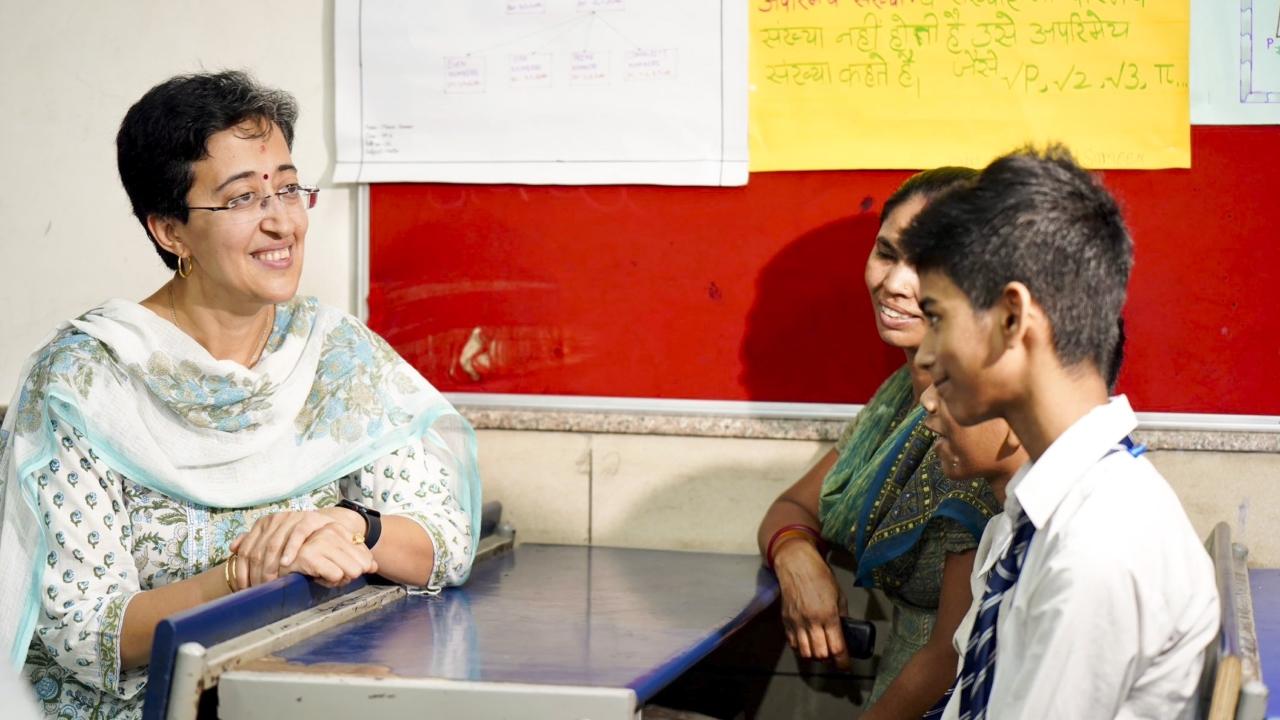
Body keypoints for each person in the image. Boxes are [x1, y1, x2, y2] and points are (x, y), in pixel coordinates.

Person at [0, 71, 481, 719]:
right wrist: (242, 575)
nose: (281, 221)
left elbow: (443, 541)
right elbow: (85, 636)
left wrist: (350, 526)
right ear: (170, 230)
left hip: (312, 687)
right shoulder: (85, 381)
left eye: (287, 188)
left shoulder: (332, 355)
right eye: (243, 199)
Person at [903, 144, 1218, 719]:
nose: (925, 353)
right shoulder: (1055, 507)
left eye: (937, 318)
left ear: (1011, 318)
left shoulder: (1098, 543)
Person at [756, 168, 1001, 718]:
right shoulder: (900, 391)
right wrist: (797, 557)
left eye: (927, 267)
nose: (895, 282)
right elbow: (793, 506)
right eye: (887, 253)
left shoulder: (975, 427)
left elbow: (950, 653)